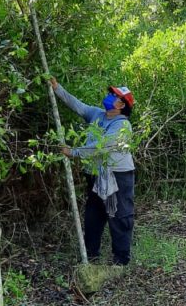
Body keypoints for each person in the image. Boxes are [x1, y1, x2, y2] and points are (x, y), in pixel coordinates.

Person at [50, 77, 135, 266]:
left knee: (118, 215)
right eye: (111, 94)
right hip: (96, 174)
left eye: (113, 96)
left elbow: (101, 146)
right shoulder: (97, 114)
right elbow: (77, 105)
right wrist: (57, 88)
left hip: (116, 175)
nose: (109, 97)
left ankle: (121, 261)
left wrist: (74, 152)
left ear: (121, 104)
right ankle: (91, 256)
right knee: (93, 215)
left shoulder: (122, 126)